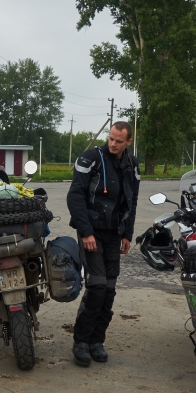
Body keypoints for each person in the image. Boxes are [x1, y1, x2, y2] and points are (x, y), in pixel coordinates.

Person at [65, 121, 140, 367]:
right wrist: (85, 232)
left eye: (119, 141)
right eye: (111, 138)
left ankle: (97, 341)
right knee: (96, 287)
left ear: (128, 141)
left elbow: (132, 200)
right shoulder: (91, 158)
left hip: (114, 234)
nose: (113, 144)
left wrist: (127, 234)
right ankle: (81, 342)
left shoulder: (132, 164)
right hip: (92, 231)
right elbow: (75, 195)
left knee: (108, 291)